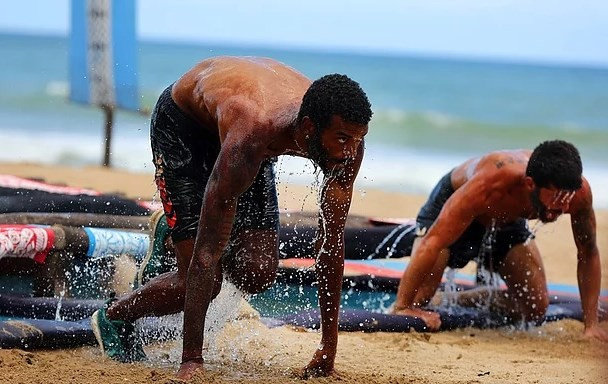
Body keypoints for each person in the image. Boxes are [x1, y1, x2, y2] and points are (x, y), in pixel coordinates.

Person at [90, 56, 373, 379]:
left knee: (258, 271)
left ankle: (173, 237)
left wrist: (327, 349)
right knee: (201, 279)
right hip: (186, 129)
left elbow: (331, 243)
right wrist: (191, 361)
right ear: (308, 128)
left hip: (243, 130)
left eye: (357, 139)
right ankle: (115, 315)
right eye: (342, 140)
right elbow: (208, 252)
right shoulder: (254, 132)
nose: (350, 151)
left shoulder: (347, 143)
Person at [391, 140, 608, 342]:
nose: (558, 210)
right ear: (530, 184)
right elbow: (433, 242)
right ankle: (410, 301)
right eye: (553, 201)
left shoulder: (579, 194)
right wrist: (403, 307)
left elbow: (588, 252)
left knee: (534, 308)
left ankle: (453, 298)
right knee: (418, 300)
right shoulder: (491, 182)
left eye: (565, 201)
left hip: (506, 220)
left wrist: (591, 326)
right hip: (455, 206)